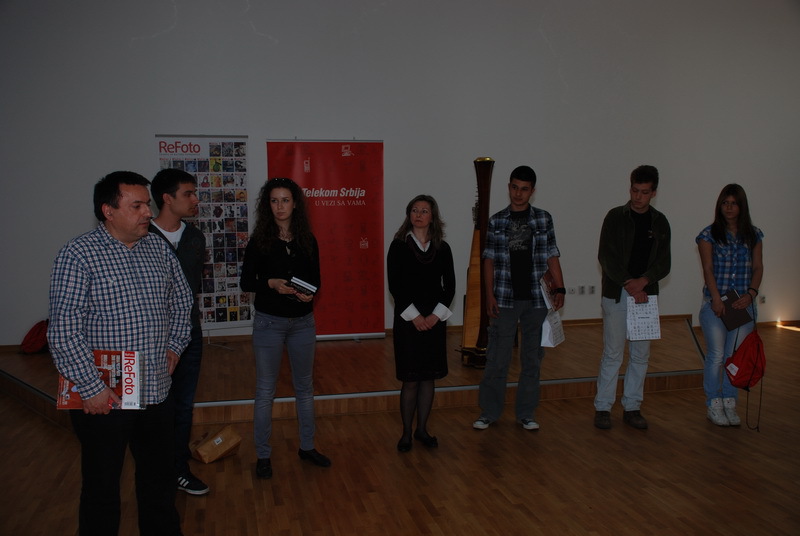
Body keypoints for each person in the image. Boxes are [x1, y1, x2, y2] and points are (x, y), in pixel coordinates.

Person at [48, 171, 193, 535]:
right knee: (102, 487)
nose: (148, 212)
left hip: (156, 390)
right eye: (137, 205)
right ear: (108, 211)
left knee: (159, 483)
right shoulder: (79, 254)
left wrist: (175, 345)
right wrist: (91, 387)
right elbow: (64, 330)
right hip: (104, 396)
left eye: (147, 204)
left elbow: (182, 302)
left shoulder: (158, 248)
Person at [240, 177, 330, 480]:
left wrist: (309, 294)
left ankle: (307, 446)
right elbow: (246, 282)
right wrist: (271, 283)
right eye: (274, 201)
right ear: (268, 205)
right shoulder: (260, 240)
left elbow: (316, 279)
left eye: (285, 200)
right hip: (270, 323)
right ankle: (263, 455)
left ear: (295, 205)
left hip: (303, 322)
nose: (280, 206)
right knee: (265, 391)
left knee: (305, 388)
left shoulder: (307, 239)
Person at [473, 165, 565, 431]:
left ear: (532, 191)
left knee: (532, 360)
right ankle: (489, 412)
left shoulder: (543, 219)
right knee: (497, 359)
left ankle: (526, 413)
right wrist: (489, 295)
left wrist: (560, 288)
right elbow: (488, 260)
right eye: (514, 187)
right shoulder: (497, 221)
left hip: (536, 300)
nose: (518, 193)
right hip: (504, 298)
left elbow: (552, 254)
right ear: (509, 187)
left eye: (524, 189)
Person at [593, 165, 671, 430]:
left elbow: (664, 263)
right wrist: (630, 283)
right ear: (630, 188)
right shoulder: (615, 217)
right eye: (635, 191)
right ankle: (603, 407)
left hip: (646, 296)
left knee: (640, 355)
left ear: (654, 193)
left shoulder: (660, 222)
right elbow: (606, 256)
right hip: (617, 293)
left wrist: (644, 282)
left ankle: (632, 406)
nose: (638, 197)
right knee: (613, 353)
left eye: (644, 192)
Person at [150, 168, 209, 495]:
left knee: (184, 405)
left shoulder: (196, 238)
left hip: (189, 334)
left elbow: (189, 290)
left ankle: (178, 468)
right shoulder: (143, 236)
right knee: (155, 407)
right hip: (151, 339)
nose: (195, 199)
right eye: (188, 193)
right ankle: (156, 469)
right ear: (167, 198)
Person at [387, 195, 456, 452]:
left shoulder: (443, 248)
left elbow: (450, 286)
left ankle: (422, 430)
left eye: (424, 211)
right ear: (409, 215)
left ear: (432, 216)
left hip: (434, 320)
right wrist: (415, 317)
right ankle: (406, 433)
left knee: (428, 378)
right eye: (414, 210)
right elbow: (396, 286)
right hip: (408, 321)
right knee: (411, 379)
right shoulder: (398, 247)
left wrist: (435, 316)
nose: (418, 214)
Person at [696, 184, 763, 426]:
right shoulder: (708, 235)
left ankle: (730, 402)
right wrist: (715, 298)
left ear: (741, 206)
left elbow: (758, 267)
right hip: (716, 305)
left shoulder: (754, 235)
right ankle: (714, 403)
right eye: (725, 203)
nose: (729, 208)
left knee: (734, 356)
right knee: (716, 355)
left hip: (743, 305)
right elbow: (707, 268)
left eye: (734, 203)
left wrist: (751, 294)